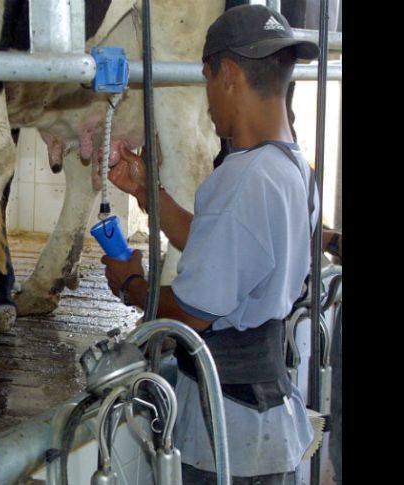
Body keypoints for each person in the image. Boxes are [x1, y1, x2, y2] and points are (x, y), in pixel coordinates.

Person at [101, 5, 321, 484]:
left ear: (228, 74)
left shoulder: (242, 180)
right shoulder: (292, 169)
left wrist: (132, 284)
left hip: (224, 430)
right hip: (268, 414)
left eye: (205, 81)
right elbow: (227, 246)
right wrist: (146, 190)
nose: (207, 101)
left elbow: (188, 317)